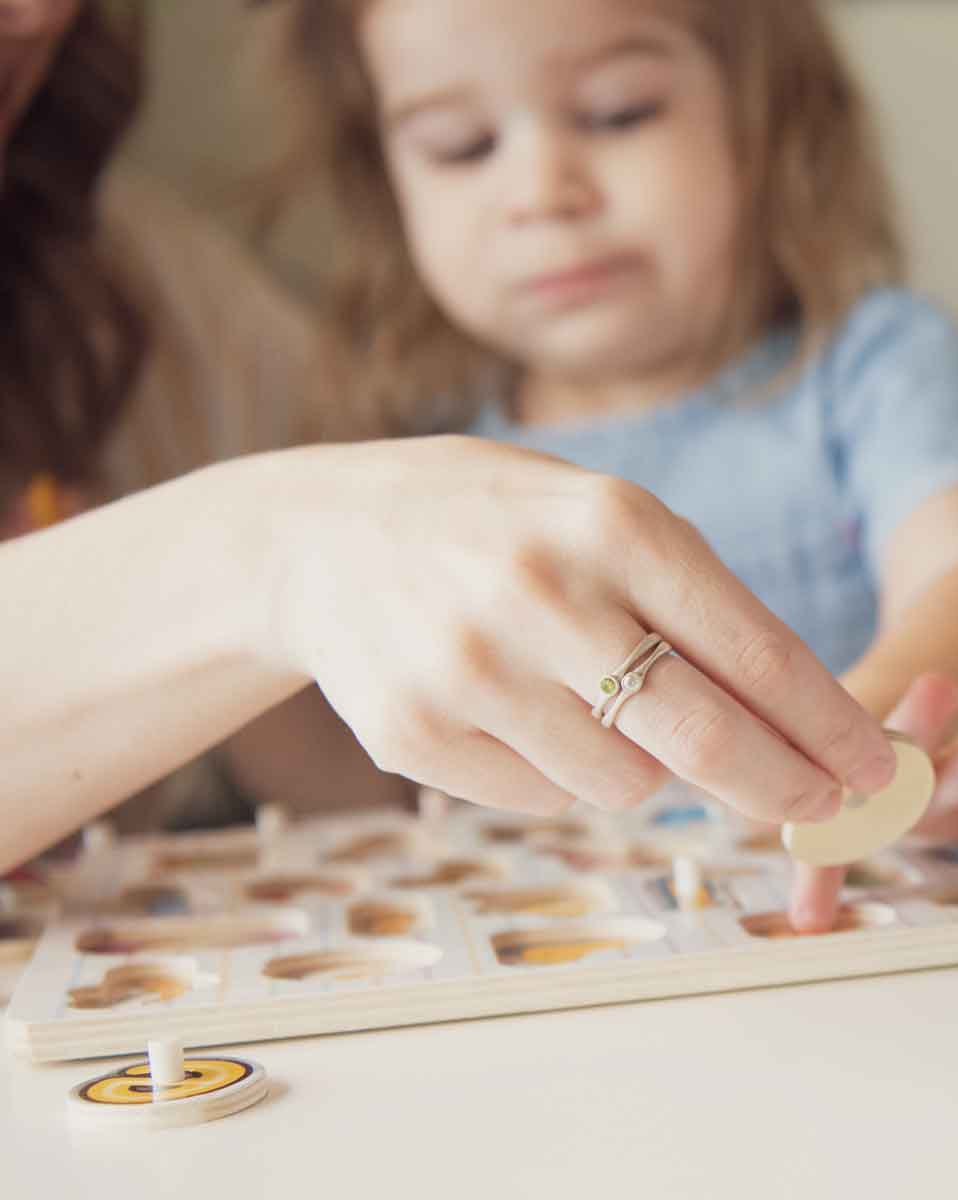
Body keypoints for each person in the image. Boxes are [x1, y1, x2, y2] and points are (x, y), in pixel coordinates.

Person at [270, 0, 958, 931]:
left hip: (864, 929)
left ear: (768, 116)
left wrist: (873, 757)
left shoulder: (878, 364)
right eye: (461, 144)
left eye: (617, 113)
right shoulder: (414, 465)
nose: (540, 191)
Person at [0, 1, 901, 876]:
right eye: (459, 147)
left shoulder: (151, 290)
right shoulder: (417, 412)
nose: (47, 10)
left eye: (620, 112)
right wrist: (264, 571)